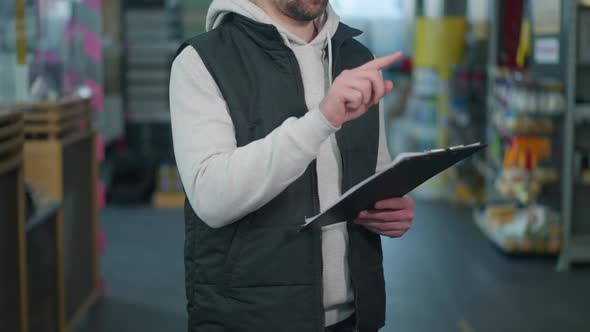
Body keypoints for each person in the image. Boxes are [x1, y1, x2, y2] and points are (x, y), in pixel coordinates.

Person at [169, 1, 415, 331]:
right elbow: (211, 198)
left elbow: (374, 171)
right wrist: (321, 120)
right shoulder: (203, 61)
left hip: (354, 318)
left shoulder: (356, 59)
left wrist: (390, 210)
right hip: (250, 319)